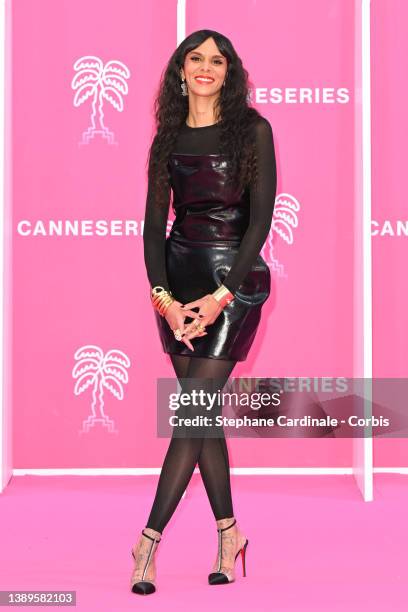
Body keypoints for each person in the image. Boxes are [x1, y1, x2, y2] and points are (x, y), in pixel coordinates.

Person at [130, 29, 277, 595]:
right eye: (197, 59)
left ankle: (146, 542)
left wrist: (221, 296)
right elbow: (151, 228)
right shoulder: (167, 139)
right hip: (178, 278)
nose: (207, 67)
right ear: (181, 70)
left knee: (191, 414)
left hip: (233, 286)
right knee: (203, 417)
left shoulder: (254, 130)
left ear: (229, 70)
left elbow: (259, 223)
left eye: (218, 60)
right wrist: (165, 300)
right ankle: (230, 534)